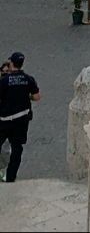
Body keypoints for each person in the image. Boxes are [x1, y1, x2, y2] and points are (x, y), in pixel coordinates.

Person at [0, 52, 40, 182]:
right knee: (17, 149)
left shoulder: (5, 81)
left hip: (4, 121)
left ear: (11, 64)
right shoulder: (28, 79)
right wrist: (25, 95)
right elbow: (37, 97)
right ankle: (11, 177)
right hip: (21, 120)